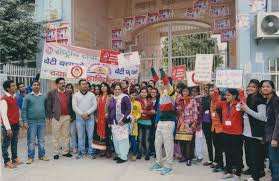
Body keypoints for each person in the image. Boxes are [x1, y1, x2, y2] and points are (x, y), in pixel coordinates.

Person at [150, 66, 176, 175]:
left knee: (168, 144)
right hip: (161, 122)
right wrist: (152, 69)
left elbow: (165, 82)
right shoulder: (162, 93)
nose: (159, 84)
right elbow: (156, 81)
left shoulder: (171, 93)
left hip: (169, 123)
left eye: (162, 83)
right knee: (157, 143)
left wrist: (161, 71)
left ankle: (168, 165)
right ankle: (158, 162)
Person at [212, 88, 243, 180]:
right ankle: (229, 171)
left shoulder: (239, 104)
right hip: (225, 132)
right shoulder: (224, 103)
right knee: (228, 153)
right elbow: (214, 103)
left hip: (236, 133)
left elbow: (244, 103)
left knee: (237, 154)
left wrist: (241, 92)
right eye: (226, 95)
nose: (226, 96)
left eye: (228, 95)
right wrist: (215, 92)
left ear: (234, 96)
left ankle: (238, 174)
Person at [240, 79, 267, 181]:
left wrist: (246, 109)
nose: (250, 88)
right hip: (247, 132)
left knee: (255, 156)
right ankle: (257, 172)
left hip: (255, 133)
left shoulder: (260, 100)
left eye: (253, 86)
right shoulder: (250, 97)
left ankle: (255, 177)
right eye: (249, 86)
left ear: (258, 89)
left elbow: (262, 117)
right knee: (250, 155)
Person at [22, 80, 49, 164]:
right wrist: (25, 121)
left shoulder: (44, 97)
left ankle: (42, 155)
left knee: (41, 140)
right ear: (31, 87)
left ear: (39, 86)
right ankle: (30, 157)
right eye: (34, 85)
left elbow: (46, 108)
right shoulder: (27, 97)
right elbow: (24, 110)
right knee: (31, 140)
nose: (36, 86)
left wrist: (47, 118)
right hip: (31, 122)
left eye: (38, 85)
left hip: (41, 121)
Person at [46, 77, 73, 160]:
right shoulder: (51, 93)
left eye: (64, 83)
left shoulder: (68, 93)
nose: (63, 84)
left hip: (66, 117)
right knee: (56, 135)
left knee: (66, 135)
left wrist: (71, 115)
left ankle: (65, 152)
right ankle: (56, 152)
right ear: (57, 84)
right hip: (56, 117)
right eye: (61, 83)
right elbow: (48, 105)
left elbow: (70, 105)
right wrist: (50, 117)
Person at [0, 80, 24, 169]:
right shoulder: (4, 99)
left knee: (14, 143)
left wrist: (20, 120)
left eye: (15, 85)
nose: (15, 87)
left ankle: (15, 158)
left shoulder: (15, 97)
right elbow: (3, 115)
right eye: (13, 86)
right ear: (8, 88)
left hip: (16, 124)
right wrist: (8, 128)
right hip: (8, 126)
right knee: (6, 144)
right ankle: (7, 161)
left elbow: (17, 110)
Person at [72, 79, 97, 159]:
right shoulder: (75, 95)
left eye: (86, 84)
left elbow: (94, 106)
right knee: (80, 136)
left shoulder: (91, 95)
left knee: (90, 136)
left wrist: (87, 113)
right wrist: (82, 114)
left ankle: (91, 152)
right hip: (79, 118)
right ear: (79, 85)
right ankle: (81, 152)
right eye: (83, 84)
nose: (85, 85)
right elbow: (74, 107)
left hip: (90, 118)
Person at [108, 83, 132, 164]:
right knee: (115, 139)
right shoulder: (112, 98)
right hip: (114, 122)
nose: (117, 91)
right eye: (115, 89)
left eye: (119, 89)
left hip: (122, 122)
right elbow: (110, 110)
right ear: (113, 90)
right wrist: (109, 121)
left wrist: (124, 120)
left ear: (121, 90)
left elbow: (129, 109)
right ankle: (119, 155)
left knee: (123, 139)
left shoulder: (125, 97)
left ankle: (123, 156)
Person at [175, 86, 198, 166]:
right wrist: (178, 105)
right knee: (182, 140)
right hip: (181, 123)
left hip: (189, 123)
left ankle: (189, 158)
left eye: (186, 91)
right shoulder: (179, 100)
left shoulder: (192, 100)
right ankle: (183, 156)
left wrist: (194, 122)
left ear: (189, 92)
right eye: (183, 91)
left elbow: (195, 112)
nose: (185, 93)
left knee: (189, 141)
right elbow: (177, 111)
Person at [261, 80, 279, 181]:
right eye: (263, 87)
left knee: (275, 160)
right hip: (269, 136)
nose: (265, 88)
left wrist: (275, 138)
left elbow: (278, 120)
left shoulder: (276, 100)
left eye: (268, 86)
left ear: (272, 88)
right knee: (272, 160)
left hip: (274, 136)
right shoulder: (268, 100)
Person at [93, 82, 112, 158]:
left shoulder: (110, 97)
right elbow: (95, 109)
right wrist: (96, 118)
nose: (103, 87)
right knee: (99, 135)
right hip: (99, 119)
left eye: (105, 86)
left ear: (107, 87)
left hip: (107, 119)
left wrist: (109, 114)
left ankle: (108, 151)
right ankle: (102, 150)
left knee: (107, 135)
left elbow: (112, 108)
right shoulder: (97, 97)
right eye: (102, 86)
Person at [138, 88, 155, 160]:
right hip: (140, 121)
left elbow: (153, 112)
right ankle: (140, 153)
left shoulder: (150, 101)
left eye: (145, 92)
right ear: (140, 93)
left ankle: (147, 154)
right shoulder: (138, 101)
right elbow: (137, 110)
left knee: (147, 139)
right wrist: (143, 112)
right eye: (142, 92)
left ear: (147, 93)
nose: (144, 93)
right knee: (140, 138)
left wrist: (144, 112)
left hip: (148, 122)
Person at [209, 87, 224, 172]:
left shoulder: (223, 100)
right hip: (214, 127)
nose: (213, 92)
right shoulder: (211, 100)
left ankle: (223, 165)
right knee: (217, 147)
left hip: (221, 128)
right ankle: (219, 163)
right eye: (211, 91)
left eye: (215, 91)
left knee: (221, 148)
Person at [201, 85, 214, 167]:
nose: (210, 92)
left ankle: (217, 161)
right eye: (210, 90)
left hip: (214, 123)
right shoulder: (204, 98)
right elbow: (204, 107)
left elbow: (208, 107)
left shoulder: (217, 99)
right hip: (205, 122)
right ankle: (210, 159)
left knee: (216, 143)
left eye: (212, 90)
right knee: (208, 142)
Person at [191, 86, 204, 164]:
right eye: (192, 91)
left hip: (198, 123)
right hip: (192, 123)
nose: (193, 92)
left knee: (199, 140)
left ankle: (200, 157)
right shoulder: (192, 100)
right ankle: (197, 155)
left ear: (198, 92)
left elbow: (200, 113)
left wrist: (199, 123)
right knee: (195, 140)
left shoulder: (199, 100)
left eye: (195, 91)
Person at [130, 89, 142, 161]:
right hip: (125, 123)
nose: (133, 96)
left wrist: (136, 118)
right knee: (126, 139)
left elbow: (139, 113)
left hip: (134, 123)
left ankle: (134, 154)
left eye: (135, 95)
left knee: (133, 139)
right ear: (129, 95)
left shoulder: (138, 103)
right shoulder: (126, 101)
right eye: (132, 95)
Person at [66, 83, 77, 154]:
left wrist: (72, 117)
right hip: (65, 118)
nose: (69, 89)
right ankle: (67, 147)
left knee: (73, 133)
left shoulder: (74, 96)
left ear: (72, 89)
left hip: (73, 118)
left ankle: (74, 147)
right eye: (68, 87)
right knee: (66, 134)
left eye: (70, 88)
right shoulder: (63, 96)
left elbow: (74, 108)